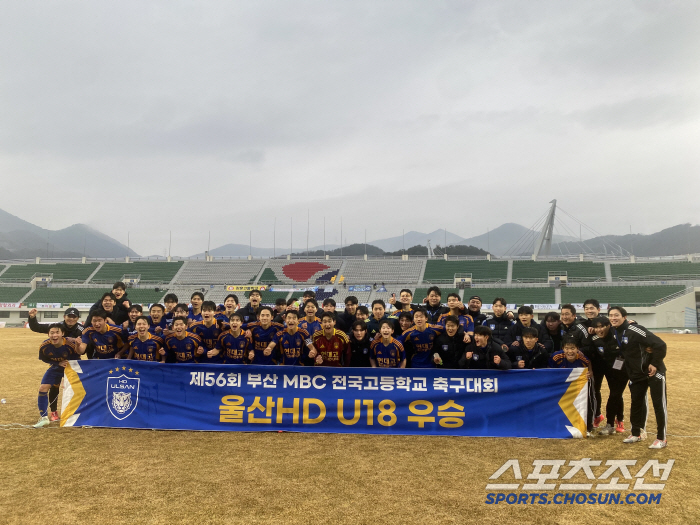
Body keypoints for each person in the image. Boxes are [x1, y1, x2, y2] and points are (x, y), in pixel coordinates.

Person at [608, 306, 668, 449]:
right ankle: (636, 433)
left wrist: (654, 363)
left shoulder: (634, 329)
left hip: (653, 372)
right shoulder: (614, 331)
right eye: (610, 315)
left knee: (659, 405)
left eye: (616, 315)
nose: (613, 318)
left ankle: (662, 439)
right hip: (636, 374)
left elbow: (660, 344)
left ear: (624, 317)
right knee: (636, 404)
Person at [27, 306, 84, 416]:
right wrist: (32, 317)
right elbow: (36, 327)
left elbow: (87, 343)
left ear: (77, 318)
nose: (71, 319)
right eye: (69, 316)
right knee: (54, 386)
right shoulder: (56, 327)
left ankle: (77, 413)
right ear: (64, 317)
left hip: (72, 362)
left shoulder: (81, 329)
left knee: (76, 388)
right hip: (57, 362)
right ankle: (54, 412)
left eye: (74, 317)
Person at [33, 324, 84, 427]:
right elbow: (44, 358)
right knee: (43, 388)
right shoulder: (44, 346)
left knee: (78, 390)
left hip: (70, 369)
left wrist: (68, 374)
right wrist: (58, 363)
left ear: (62, 334)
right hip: (56, 367)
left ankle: (78, 414)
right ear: (48, 334)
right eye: (52, 333)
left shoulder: (70, 345)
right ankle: (44, 418)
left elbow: (78, 357)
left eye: (57, 332)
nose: (54, 335)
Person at [587, 316, 628, 435]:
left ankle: (618, 420)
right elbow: (588, 351)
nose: (599, 330)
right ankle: (603, 419)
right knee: (597, 391)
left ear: (608, 326)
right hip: (601, 367)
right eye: (596, 327)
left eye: (602, 326)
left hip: (620, 369)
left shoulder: (617, 335)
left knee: (615, 394)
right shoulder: (593, 338)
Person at [549, 335, 595, 436]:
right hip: (559, 386)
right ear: (563, 349)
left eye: (573, 348)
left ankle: (588, 425)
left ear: (578, 349)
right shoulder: (556, 357)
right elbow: (550, 372)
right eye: (567, 348)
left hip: (575, 388)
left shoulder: (583, 360)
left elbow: (589, 366)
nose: (570, 351)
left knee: (588, 397)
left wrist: (589, 372)